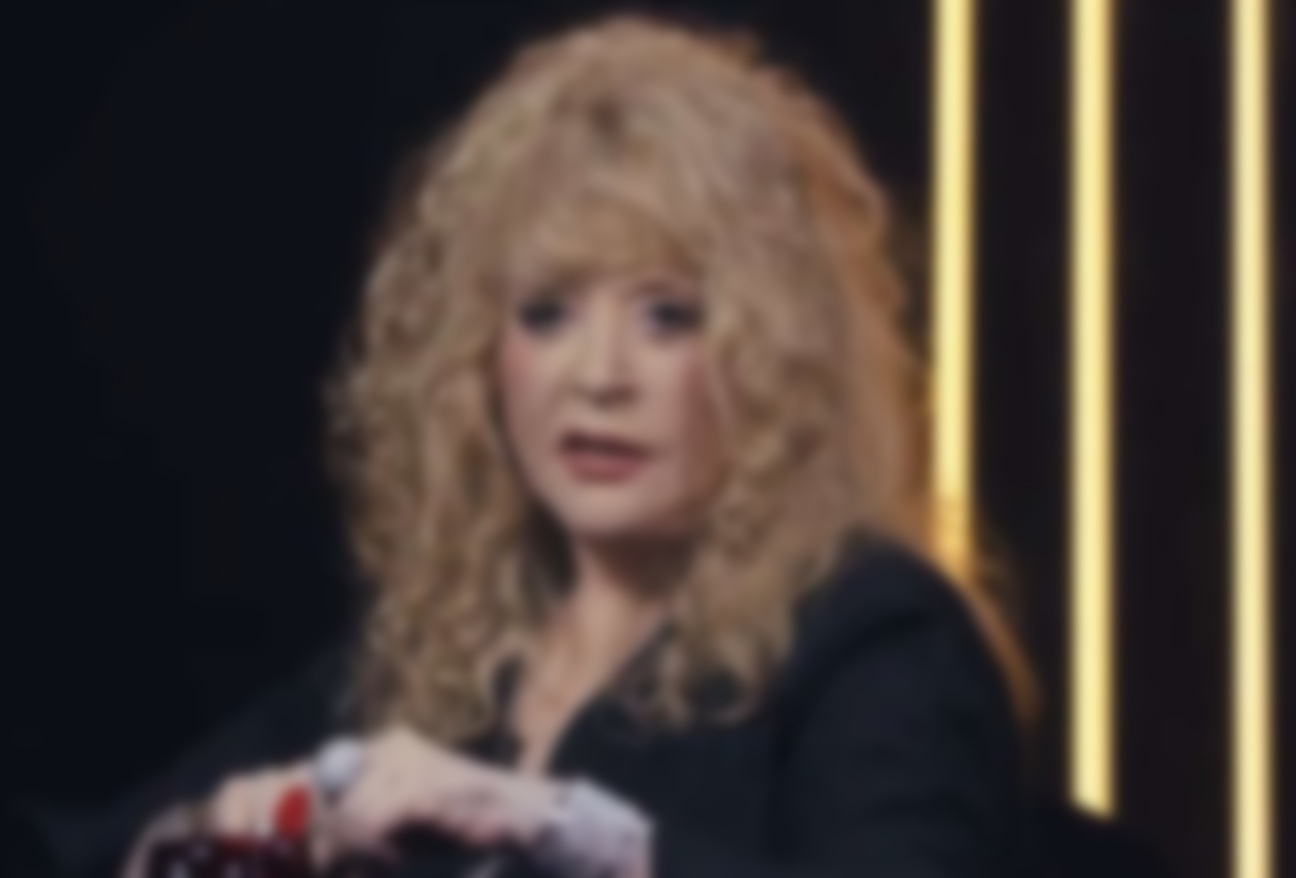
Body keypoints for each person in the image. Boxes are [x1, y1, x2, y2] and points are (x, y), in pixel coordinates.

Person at [30, 12, 1040, 878]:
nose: (597, 376)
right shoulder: (440, 654)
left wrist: (547, 820)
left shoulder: (876, 635)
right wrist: (200, 831)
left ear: (773, 356)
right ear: (481, 352)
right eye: (546, 313)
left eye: (667, 316)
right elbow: (78, 851)